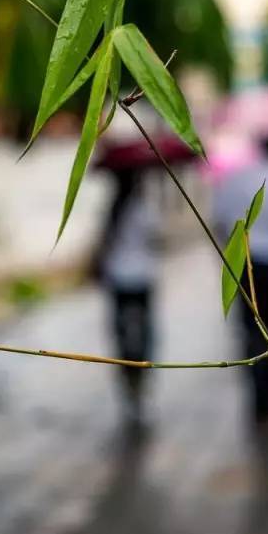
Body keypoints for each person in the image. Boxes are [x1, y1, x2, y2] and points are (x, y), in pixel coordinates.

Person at [213, 136, 268, 434]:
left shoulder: (236, 178)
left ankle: (257, 400)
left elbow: (221, 220)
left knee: (250, 331)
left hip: (245, 264)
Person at [96, 167, 159, 426]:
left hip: (118, 279)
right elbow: (157, 238)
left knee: (121, 333)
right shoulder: (143, 210)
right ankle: (141, 380)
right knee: (144, 333)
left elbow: (103, 245)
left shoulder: (112, 211)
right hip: (142, 278)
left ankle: (127, 385)